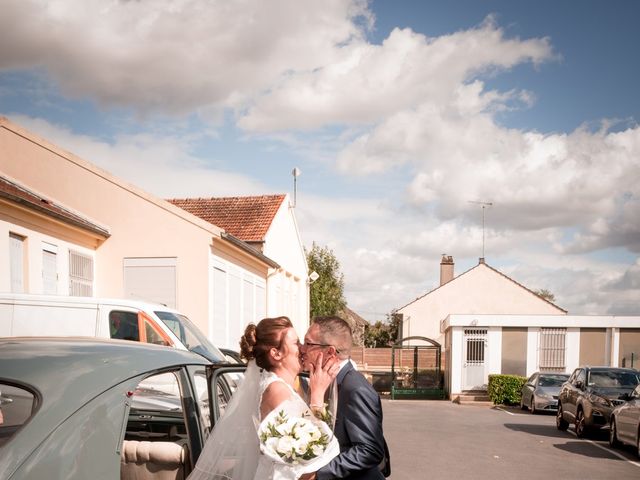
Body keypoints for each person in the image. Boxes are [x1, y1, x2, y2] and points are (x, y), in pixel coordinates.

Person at [188, 316, 340, 480]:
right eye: (296, 343)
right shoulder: (277, 391)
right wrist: (317, 396)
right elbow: (306, 455)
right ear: (276, 353)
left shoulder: (278, 386)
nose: (303, 349)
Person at [300, 317, 390, 480]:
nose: (302, 348)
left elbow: (370, 450)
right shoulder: (324, 381)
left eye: (308, 343)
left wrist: (319, 475)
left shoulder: (355, 388)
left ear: (330, 352)